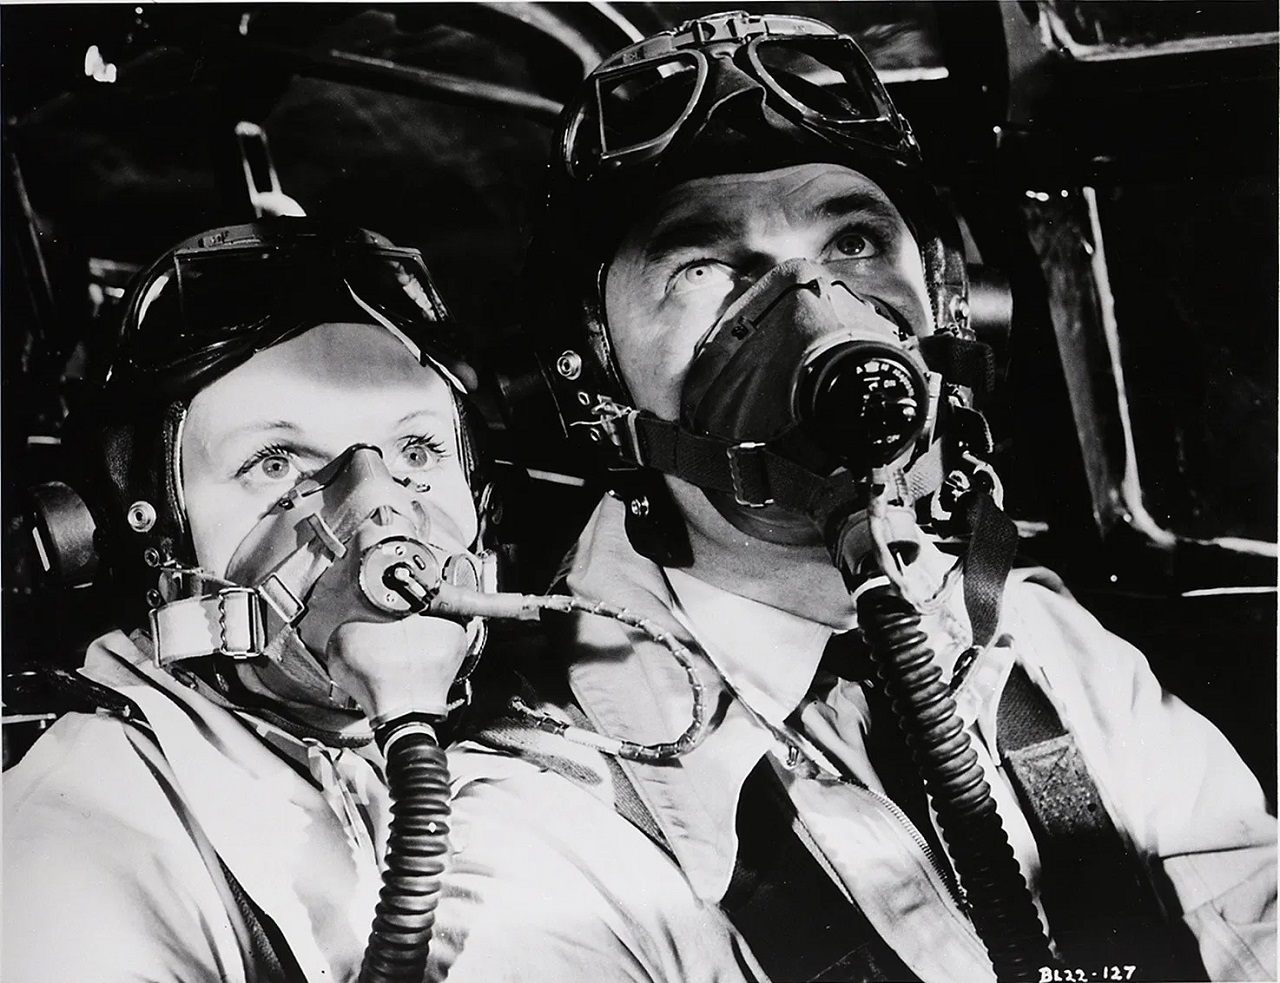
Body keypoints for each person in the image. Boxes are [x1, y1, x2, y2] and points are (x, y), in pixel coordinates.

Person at [488, 10, 1274, 982]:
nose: (813, 312)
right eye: (701, 266)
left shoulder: (1041, 646)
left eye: (854, 242)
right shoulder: (541, 818)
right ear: (593, 379)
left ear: (948, 306)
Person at [6, 218, 732, 983]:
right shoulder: (77, 857)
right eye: (274, 462)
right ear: (153, 541)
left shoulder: (553, 768)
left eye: (417, 452)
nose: (378, 509)